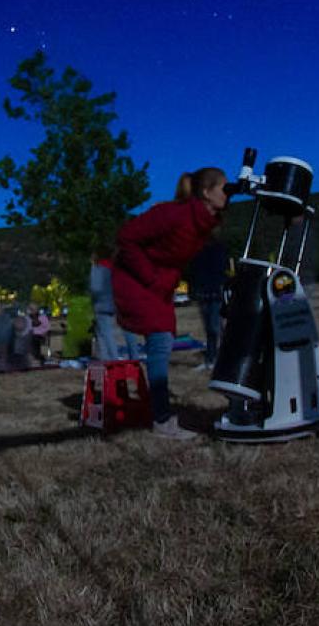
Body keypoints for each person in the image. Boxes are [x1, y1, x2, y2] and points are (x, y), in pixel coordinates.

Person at [112, 168, 230, 440]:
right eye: (224, 188)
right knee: (161, 340)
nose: (228, 193)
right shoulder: (173, 214)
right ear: (206, 192)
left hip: (160, 284)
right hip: (135, 280)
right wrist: (150, 276)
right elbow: (126, 236)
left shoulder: (204, 221)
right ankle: (162, 419)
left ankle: (160, 413)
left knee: (163, 339)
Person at [88, 250, 139, 361]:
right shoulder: (116, 265)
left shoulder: (98, 267)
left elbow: (95, 288)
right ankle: (134, 355)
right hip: (120, 299)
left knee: (104, 332)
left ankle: (111, 358)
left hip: (103, 304)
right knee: (127, 330)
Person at [187, 235, 229, 371]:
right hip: (203, 293)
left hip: (215, 293)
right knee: (210, 329)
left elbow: (222, 269)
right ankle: (211, 358)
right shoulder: (197, 250)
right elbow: (193, 271)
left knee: (215, 328)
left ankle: (221, 358)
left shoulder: (218, 249)